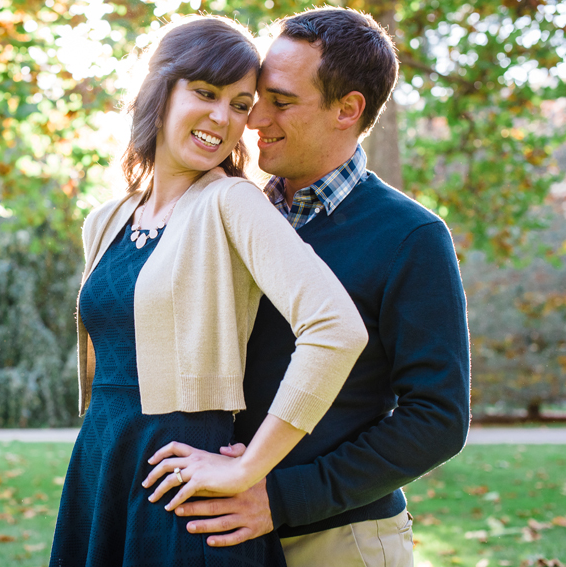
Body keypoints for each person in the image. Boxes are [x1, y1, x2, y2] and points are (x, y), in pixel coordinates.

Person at [50, 15, 368, 567]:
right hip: (102, 464)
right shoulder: (105, 220)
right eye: (205, 93)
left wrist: (249, 467)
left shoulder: (233, 203)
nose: (223, 118)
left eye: (241, 104)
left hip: (184, 480)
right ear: (160, 89)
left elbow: (335, 328)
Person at [164, 8, 471, 567]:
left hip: (336, 540)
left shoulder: (411, 236)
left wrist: (283, 497)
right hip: (216, 530)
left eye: (281, 101)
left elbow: (438, 419)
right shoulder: (233, 208)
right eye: (256, 97)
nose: (254, 117)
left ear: (347, 110)